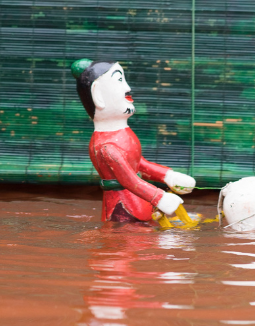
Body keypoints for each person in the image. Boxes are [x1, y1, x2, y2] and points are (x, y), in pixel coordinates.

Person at [71, 59, 196, 224]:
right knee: (131, 243)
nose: (127, 88)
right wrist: (159, 197)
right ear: (98, 95)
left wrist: (168, 176)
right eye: (119, 80)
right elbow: (128, 179)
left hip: (141, 203)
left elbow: (139, 164)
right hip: (123, 211)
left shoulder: (122, 134)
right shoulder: (106, 145)